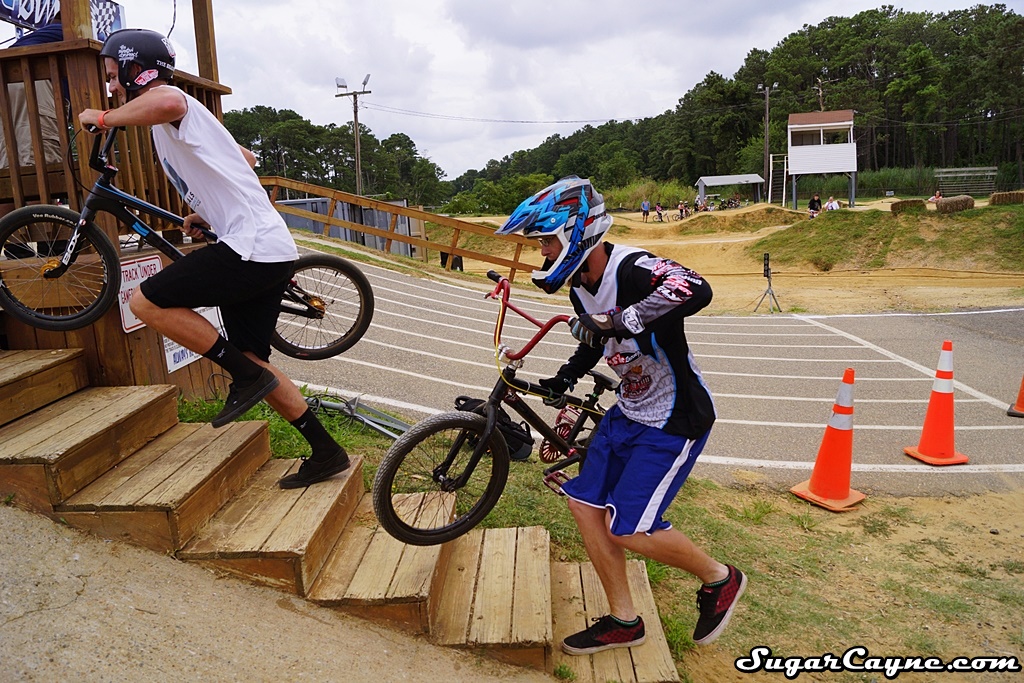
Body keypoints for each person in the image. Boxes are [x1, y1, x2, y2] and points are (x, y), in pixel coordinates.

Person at [79, 28, 349, 490]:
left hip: (251, 249)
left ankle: (242, 377)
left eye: (112, 76)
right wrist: (206, 213)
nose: (111, 87)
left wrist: (102, 118)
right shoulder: (177, 123)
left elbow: (168, 102)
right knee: (254, 361)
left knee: (144, 302)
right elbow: (242, 157)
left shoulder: (169, 101)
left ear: (132, 67)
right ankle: (326, 451)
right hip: (267, 249)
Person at [495, 176, 745, 655]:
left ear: (577, 234)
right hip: (629, 411)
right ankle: (624, 620)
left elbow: (695, 286)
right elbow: (595, 341)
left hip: (675, 418)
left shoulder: (630, 267)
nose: (544, 253)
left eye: (548, 241)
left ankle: (720, 578)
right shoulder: (579, 286)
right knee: (583, 504)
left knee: (628, 528)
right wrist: (564, 377)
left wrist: (618, 319)